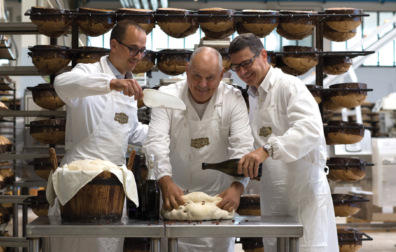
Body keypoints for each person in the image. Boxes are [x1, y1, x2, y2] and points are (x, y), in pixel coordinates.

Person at [44, 19, 148, 252]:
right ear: (114, 45)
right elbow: (61, 83)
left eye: (142, 51)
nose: (138, 56)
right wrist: (110, 83)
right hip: (78, 187)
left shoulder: (131, 85)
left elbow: (129, 130)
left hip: (112, 191)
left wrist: (164, 132)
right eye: (133, 49)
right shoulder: (89, 72)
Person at [228, 33, 338, 252]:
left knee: (308, 247)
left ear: (263, 55)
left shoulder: (289, 86)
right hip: (274, 196)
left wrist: (267, 150)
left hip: (304, 195)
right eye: (236, 67)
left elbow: (310, 129)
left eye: (246, 63)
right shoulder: (253, 95)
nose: (242, 72)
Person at [143, 46, 254, 252]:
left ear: (222, 75)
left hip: (218, 204)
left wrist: (238, 187)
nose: (202, 84)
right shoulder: (166, 96)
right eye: (196, 76)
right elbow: (156, 143)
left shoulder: (233, 99)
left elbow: (242, 146)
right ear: (186, 70)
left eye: (210, 78)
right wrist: (165, 181)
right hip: (174, 201)